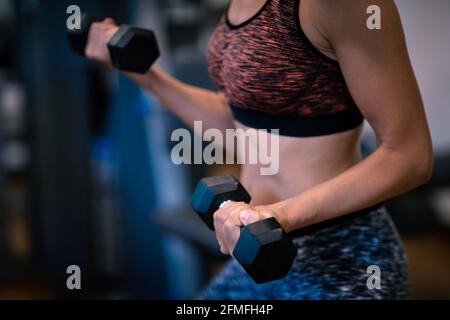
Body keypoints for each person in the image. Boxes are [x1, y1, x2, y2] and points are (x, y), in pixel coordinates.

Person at [85, 0, 432, 299]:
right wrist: (145, 76)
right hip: (259, 254)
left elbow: (409, 155)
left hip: (342, 258)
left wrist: (284, 215)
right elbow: (240, 125)